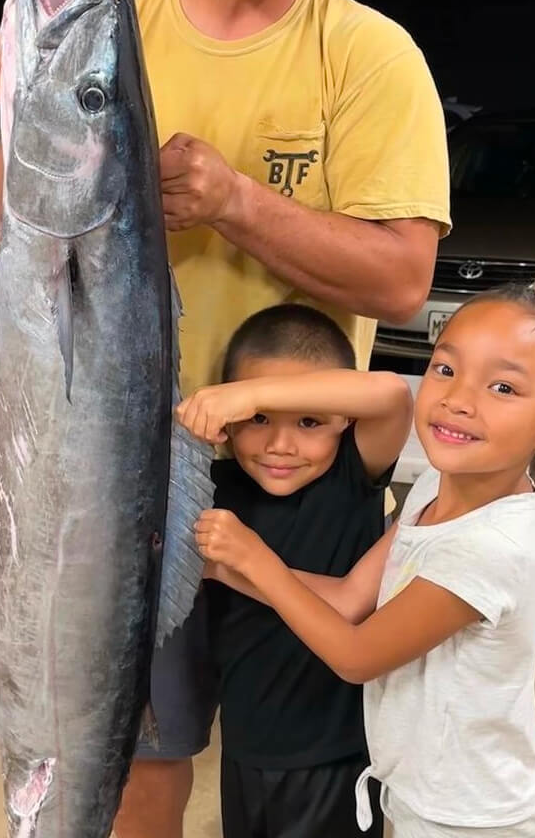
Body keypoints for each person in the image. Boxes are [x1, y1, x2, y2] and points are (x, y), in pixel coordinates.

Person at [0, 0, 451, 834]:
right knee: (138, 754)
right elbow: (10, 238)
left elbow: (403, 279)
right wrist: (22, 115)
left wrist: (237, 203)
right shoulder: (116, 40)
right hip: (119, 479)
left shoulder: (371, 56)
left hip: (304, 475)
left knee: (302, 767)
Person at [193, 269, 535, 838]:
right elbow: (347, 599)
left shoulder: (488, 549)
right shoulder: (440, 488)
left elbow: (357, 655)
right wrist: (224, 565)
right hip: (417, 794)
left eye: (503, 388)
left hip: (469, 819)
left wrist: (254, 554)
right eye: (446, 370)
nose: (459, 400)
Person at [174, 303, 414, 838]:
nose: (281, 446)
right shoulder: (214, 487)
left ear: (344, 421)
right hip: (245, 751)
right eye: (259, 421)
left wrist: (254, 396)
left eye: (309, 422)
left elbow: (394, 396)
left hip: (334, 758)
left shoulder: (352, 477)